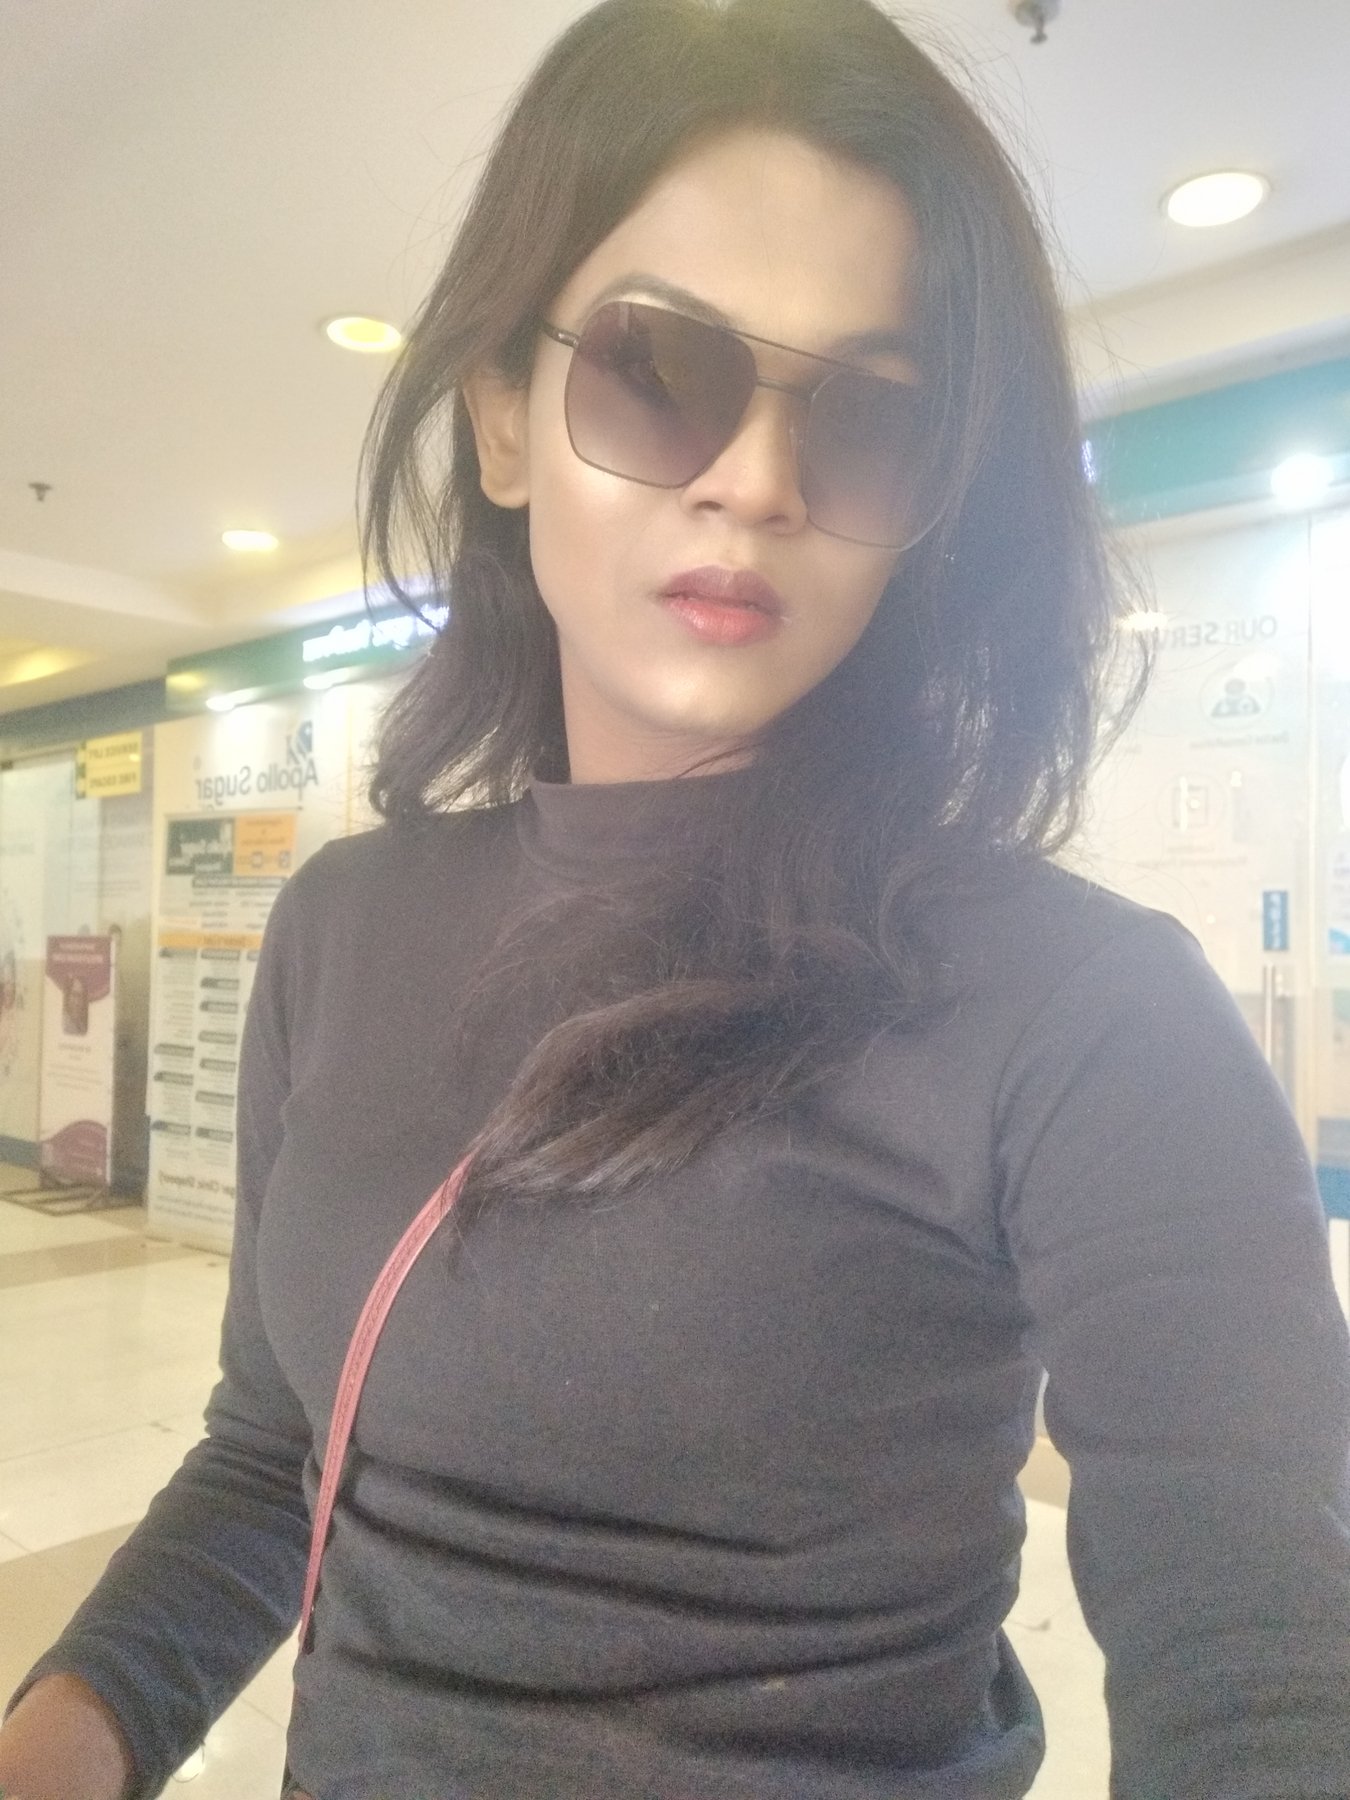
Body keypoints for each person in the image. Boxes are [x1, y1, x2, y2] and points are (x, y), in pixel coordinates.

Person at [5, 0, 1350, 1794]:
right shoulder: (340, 926)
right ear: (502, 421)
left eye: (869, 417)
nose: (759, 481)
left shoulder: (1083, 1008)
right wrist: (60, 1741)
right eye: (657, 369)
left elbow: (1263, 1656)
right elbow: (272, 1453)